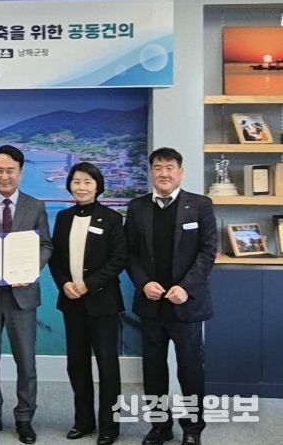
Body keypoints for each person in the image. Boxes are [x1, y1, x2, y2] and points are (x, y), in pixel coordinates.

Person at [125, 148, 217, 445]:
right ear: (151, 171)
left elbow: (207, 252)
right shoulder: (137, 207)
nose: (163, 173)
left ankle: (193, 428)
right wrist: (143, 283)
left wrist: (185, 287)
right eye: (158, 167)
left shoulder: (200, 205)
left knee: (190, 369)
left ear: (180, 172)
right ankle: (160, 426)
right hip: (152, 303)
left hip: (185, 304)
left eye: (169, 167)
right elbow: (130, 253)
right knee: (153, 370)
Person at [0, 145, 52, 445]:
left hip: (22, 294)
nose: (4, 176)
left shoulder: (36, 206)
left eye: (10, 170)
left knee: (26, 361)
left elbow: (46, 245)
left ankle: (24, 417)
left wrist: (29, 269)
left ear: (21, 172)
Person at [49, 162, 127, 445]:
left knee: (108, 366)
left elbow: (119, 259)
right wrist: (64, 284)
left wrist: (89, 284)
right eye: (76, 181)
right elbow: (55, 258)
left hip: (103, 302)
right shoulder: (63, 217)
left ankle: (110, 426)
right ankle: (83, 421)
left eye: (87, 182)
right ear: (70, 185)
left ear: (98, 186)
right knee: (77, 364)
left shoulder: (112, 218)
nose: (81, 187)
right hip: (72, 301)